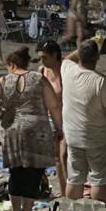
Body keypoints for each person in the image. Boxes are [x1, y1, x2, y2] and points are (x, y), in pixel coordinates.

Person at [0, 47, 61, 211]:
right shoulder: (40, 79)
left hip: (13, 127)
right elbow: (53, 105)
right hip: (37, 127)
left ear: (11, 64)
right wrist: (60, 128)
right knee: (34, 173)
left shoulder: (4, 81)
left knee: (16, 171)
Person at [61, 39, 106, 202]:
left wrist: (90, 42)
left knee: (75, 178)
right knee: (99, 180)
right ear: (97, 57)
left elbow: (68, 58)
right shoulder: (101, 81)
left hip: (73, 136)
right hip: (97, 138)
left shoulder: (67, 69)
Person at [38, 40, 68, 198]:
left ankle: (67, 193)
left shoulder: (66, 71)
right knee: (55, 159)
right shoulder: (42, 71)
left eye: (45, 57)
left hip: (66, 119)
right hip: (48, 120)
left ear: (55, 56)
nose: (42, 61)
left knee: (63, 158)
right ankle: (61, 193)